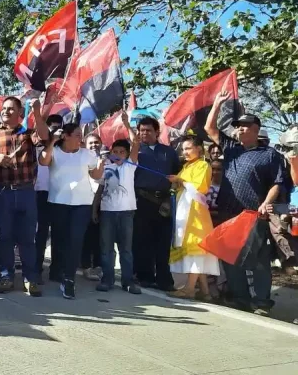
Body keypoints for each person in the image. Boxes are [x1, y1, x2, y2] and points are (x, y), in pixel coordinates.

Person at [205, 91, 286, 315]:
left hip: (254, 215)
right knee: (230, 257)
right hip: (229, 213)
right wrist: (218, 104)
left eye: (244, 126)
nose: (239, 129)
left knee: (259, 260)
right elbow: (209, 129)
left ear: (255, 129)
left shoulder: (270, 155)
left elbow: (278, 183)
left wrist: (266, 203)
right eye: (237, 126)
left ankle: (261, 302)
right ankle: (240, 298)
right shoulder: (231, 149)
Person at [0, 98, 46, 296]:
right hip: (1, 192)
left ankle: (30, 278)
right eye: (4, 108)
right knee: (4, 237)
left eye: (11, 109)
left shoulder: (29, 133)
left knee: (27, 238)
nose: (6, 112)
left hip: (25, 191)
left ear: (20, 113)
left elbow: (44, 136)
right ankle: (6, 276)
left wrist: (37, 112)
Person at [39, 123, 104, 299]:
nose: (80, 139)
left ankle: (69, 279)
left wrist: (101, 165)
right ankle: (56, 270)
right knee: (60, 240)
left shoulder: (86, 154)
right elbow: (43, 160)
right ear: (65, 136)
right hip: (58, 202)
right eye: (76, 135)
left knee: (75, 240)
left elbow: (96, 175)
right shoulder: (56, 152)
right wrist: (52, 141)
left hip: (82, 204)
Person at [166, 136, 221, 301]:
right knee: (195, 250)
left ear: (199, 148)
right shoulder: (187, 166)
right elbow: (182, 185)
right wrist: (177, 182)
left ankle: (190, 288)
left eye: (188, 148)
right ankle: (205, 292)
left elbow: (199, 188)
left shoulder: (204, 165)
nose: (185, 152)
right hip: (185, 210)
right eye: (183, 149)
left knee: (196, 249)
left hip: (195, 213)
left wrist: (180, 180)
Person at [94, 112, 141, 294]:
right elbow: (98, 187)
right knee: (106, 249)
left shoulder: (130, 165)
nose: (119, 154)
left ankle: (127, 282)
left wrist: (127, 124)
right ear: (111, 152)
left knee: (126, 250)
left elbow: (136, 142)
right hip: (107, 211)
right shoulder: (106, 166)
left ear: (128, 154)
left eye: (122, 152)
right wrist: (94, 210)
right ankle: (107, 280)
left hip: (127, 212)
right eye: (115, 152)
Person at [132, 117, 181, 291]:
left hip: (164, 202)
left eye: (148, 130)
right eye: (142, 130)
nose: (145, 133)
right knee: (142, 240)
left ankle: (164, 279)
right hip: (142, 200)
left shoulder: (169, 152)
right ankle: (144, 276)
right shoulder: (135, 152)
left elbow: (178, 172)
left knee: (163, 242)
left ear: (157, 132)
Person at [34, 114, 64, 284]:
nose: (54, 131)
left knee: (59, 234)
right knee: (40, 234)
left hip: (59, 195)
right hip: (40, 194)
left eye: (58, 127)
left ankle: (56, 270)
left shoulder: (65, 149)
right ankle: (36, 269)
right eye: (51, 127)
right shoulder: (36, 147)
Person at [82, 133, 104, 282]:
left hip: (104, 203)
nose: (94, 145)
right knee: (86, 237)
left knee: (99, 237)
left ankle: (98, 266)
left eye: (96, 142)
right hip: (84, 201)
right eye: (90, 143)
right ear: (85, 144)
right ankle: (86, 266)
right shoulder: (82, 159)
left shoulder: (107, 160)